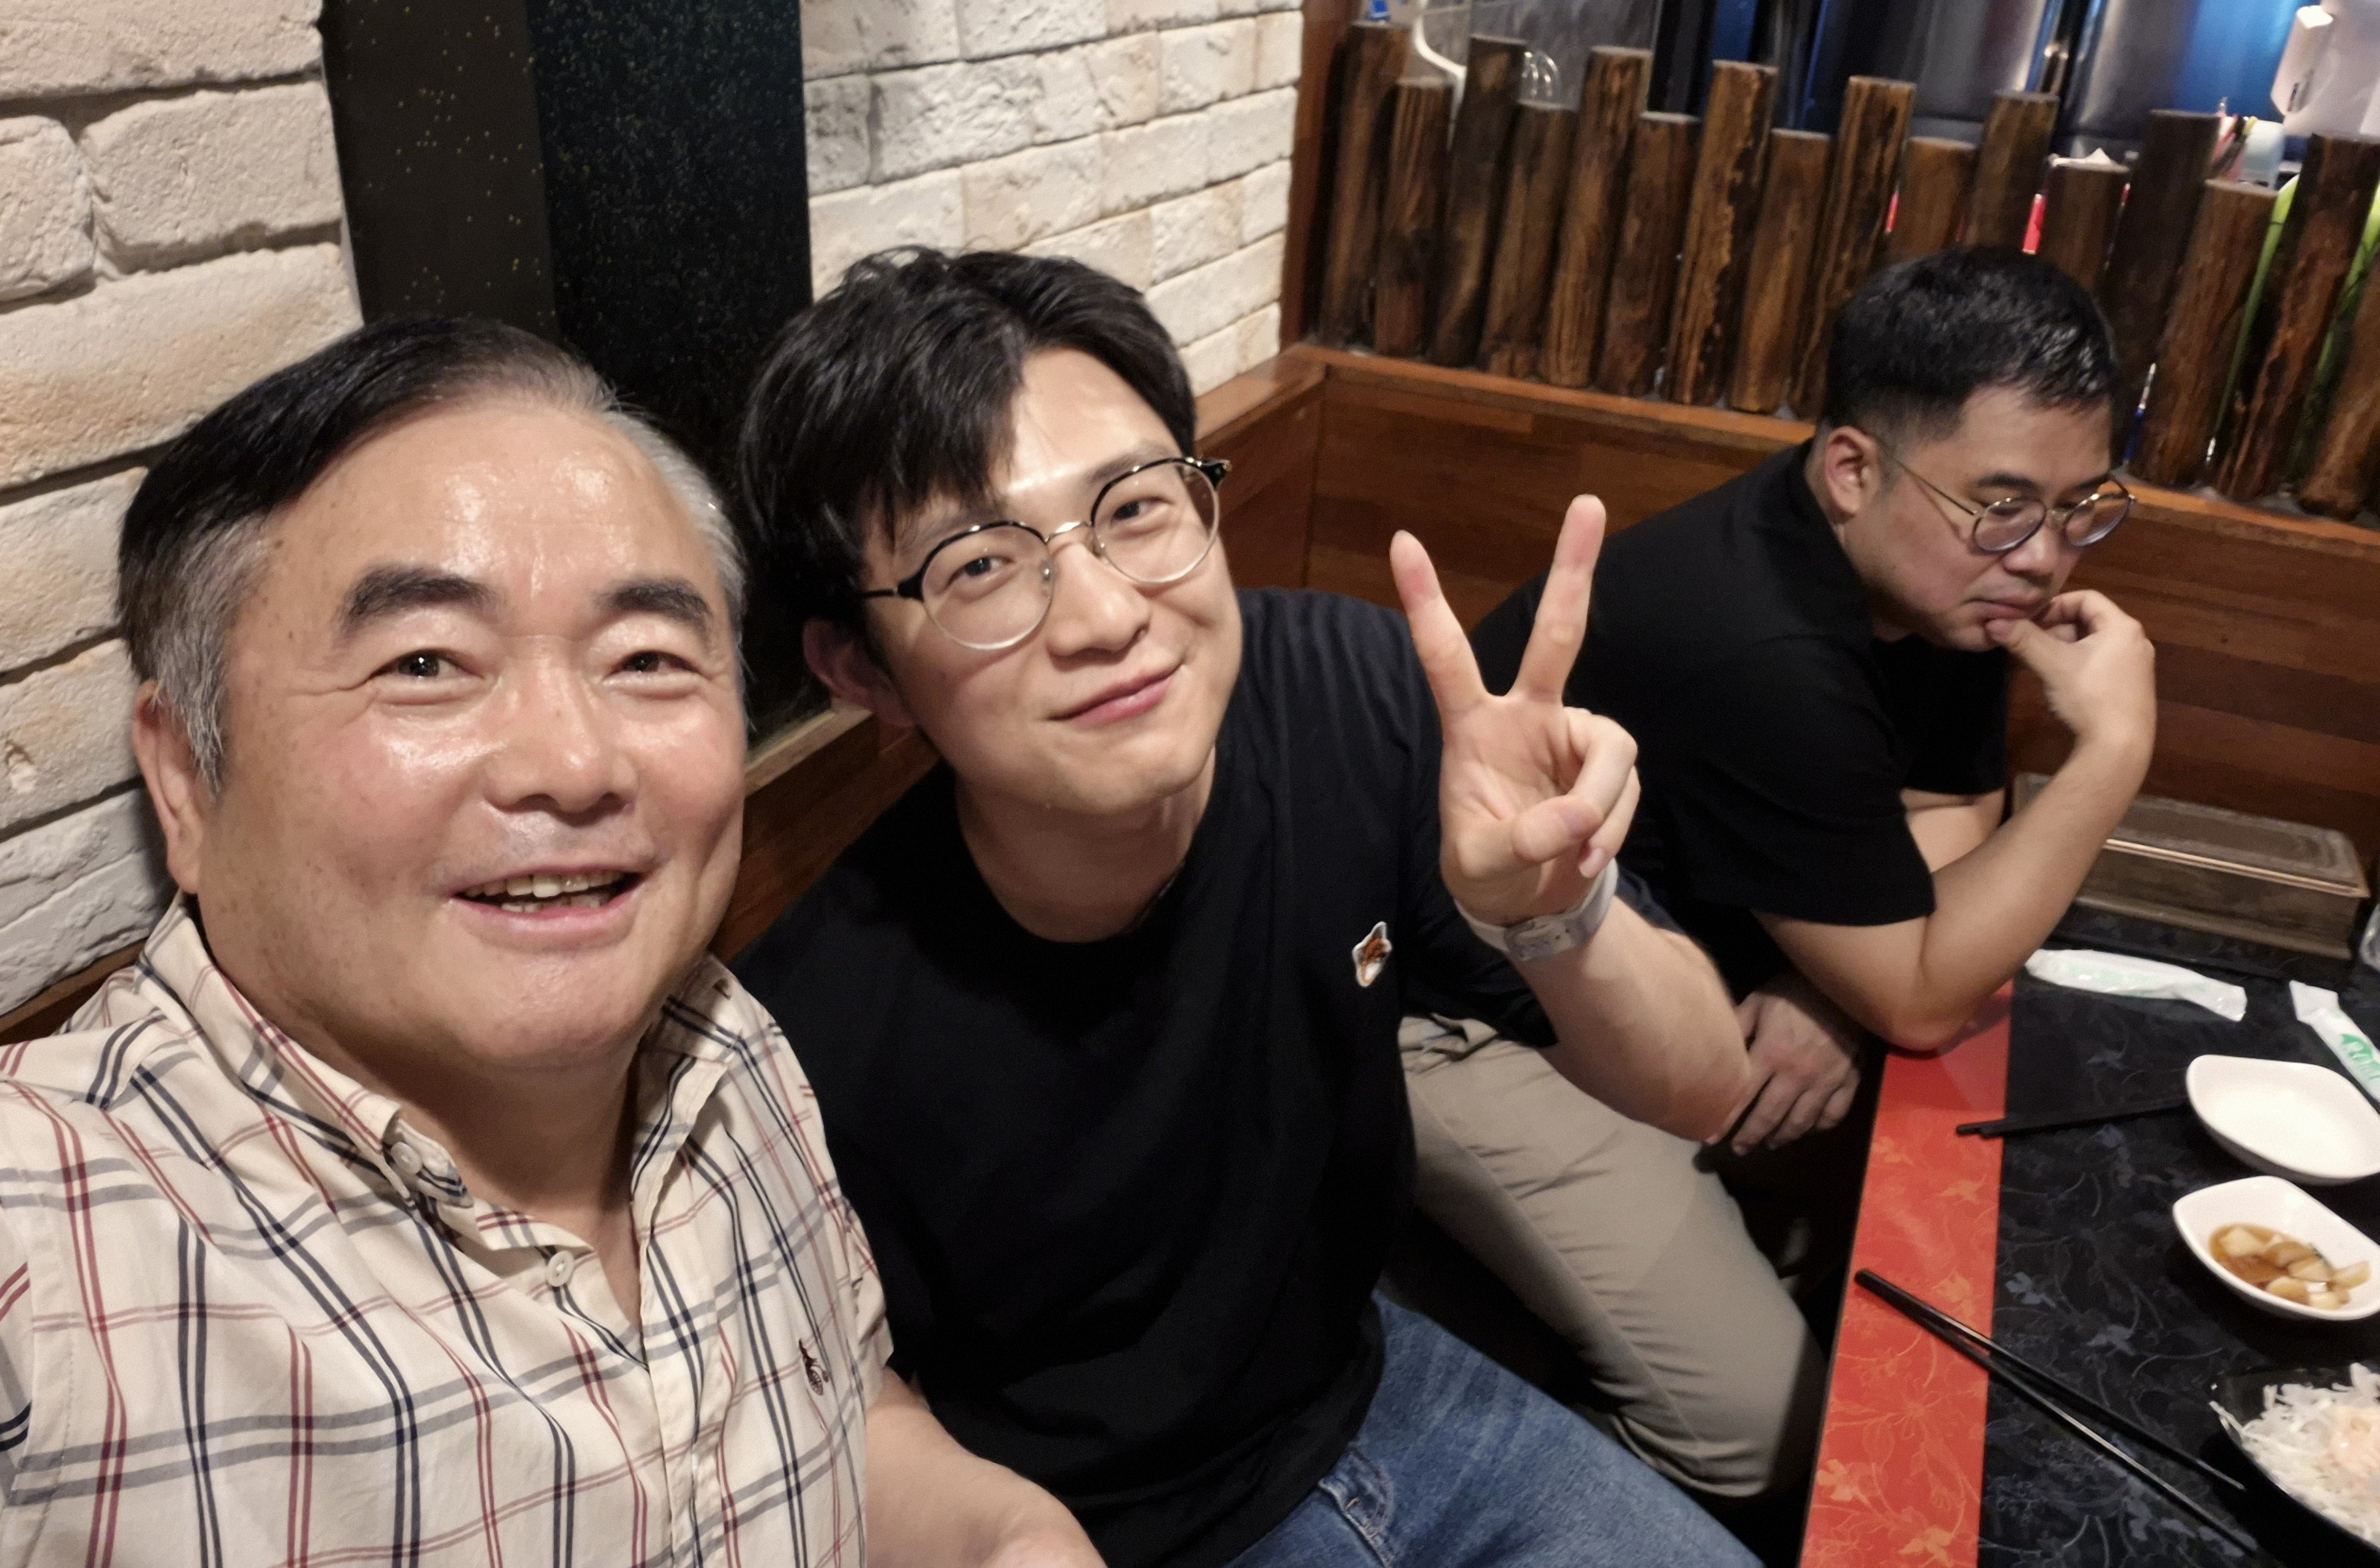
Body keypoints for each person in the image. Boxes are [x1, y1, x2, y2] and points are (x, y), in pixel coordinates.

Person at [0, 318, 1091, 1566]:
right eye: (426, 663)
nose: (574, 763)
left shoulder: (722, 1044)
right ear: (188, 779)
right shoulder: (48, 1241)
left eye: (647, 657)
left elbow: (842, 1418)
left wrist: (1007, 1533)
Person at [732, 248, 1760, 1568]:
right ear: (861, 670)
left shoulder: (1349, 694)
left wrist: (1558, 916)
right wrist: (1013, 1538)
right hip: (1115, 1529)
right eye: (978, 567)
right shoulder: (817, 1027)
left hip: (1383, 1392)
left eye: (1135, 509)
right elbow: (847, 1395)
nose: (1106, 615)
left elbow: (1705, 1088)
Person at [1424, 247, 2158, 1511]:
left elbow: (1946, 811)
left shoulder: (1935, 570)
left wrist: (1839, 982)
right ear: (1854, 468)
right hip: (1462, 1005)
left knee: (1911, 1239)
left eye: (2080, 505)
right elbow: (1925, 994)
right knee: (1775, 1441)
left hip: (1650, 965)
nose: (2045, 557)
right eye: (2005, 506)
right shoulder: (1761, 645)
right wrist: (2112, 756)